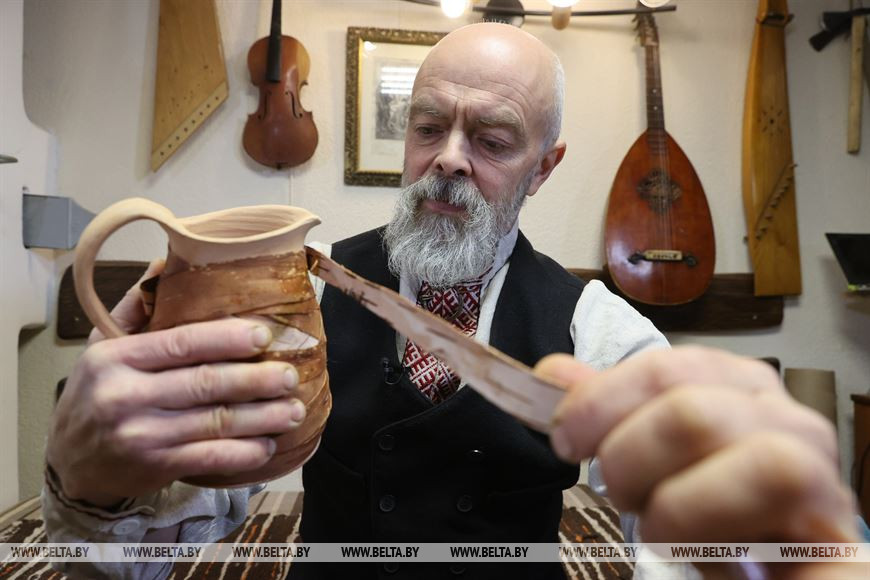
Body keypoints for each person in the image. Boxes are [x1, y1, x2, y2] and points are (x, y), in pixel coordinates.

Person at [42, 22, 864, 580]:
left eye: (494, 140)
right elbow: (151, 551)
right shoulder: (302, 294)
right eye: (429, 127)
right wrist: (92, 491)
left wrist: (762, 532)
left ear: (544, 168)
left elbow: (681, 542)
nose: (449, 160)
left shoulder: (599, 330)